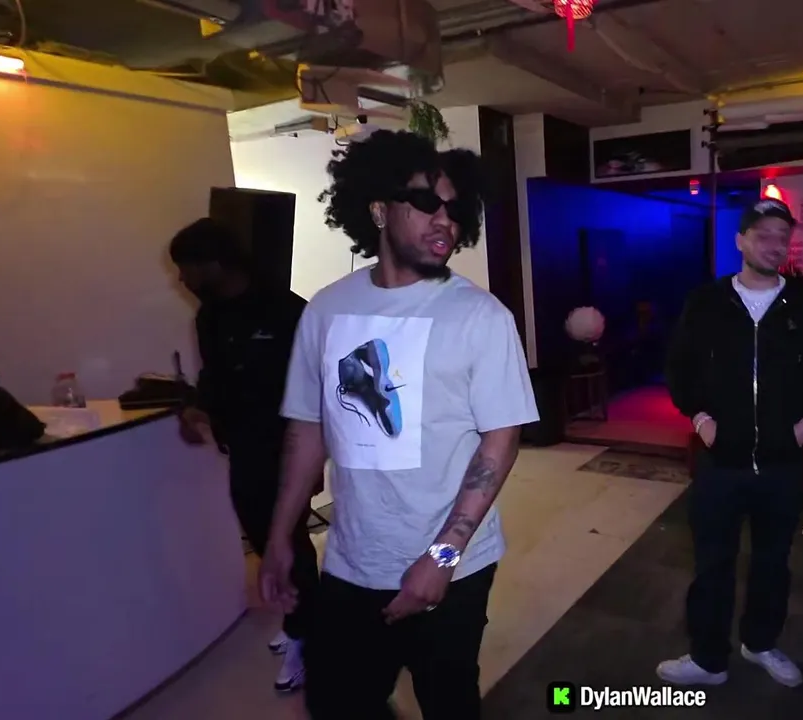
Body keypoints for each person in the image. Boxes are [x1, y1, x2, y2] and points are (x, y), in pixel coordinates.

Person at [258, 130, 538, 720]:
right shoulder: (327, 309)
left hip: (452, 567)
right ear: (380, 210)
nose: (445, 221)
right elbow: (307, 429)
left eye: (455, 210)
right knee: (338, 703)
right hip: (351, 561)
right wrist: (280, 534)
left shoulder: (479, 316)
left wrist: (442, 558)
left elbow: (501, 440)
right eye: (426, 203)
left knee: (448, 700)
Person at [659, 198, 803, 689]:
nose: (774, 245)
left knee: (773, 562)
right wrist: (701, 418)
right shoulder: (706, 302)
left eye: (782, 237)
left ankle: (761, 642)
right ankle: (708, 658)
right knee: (712, 563)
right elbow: (679, 368)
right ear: (740, 240)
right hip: (720, 461)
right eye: (763, 235)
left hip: (783, 464)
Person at [169, 218, 319, 693]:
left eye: (186, 268)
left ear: (214, 263)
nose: (181, 279)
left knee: (288, 541)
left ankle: (307, 635)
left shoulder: (285, 310)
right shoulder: (209, 317)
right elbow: (215, 376)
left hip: (288, 446)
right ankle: (300, 620)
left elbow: (314, 384)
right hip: (244, 448)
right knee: (265, 537)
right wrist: (199, 408)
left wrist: (314, 455)